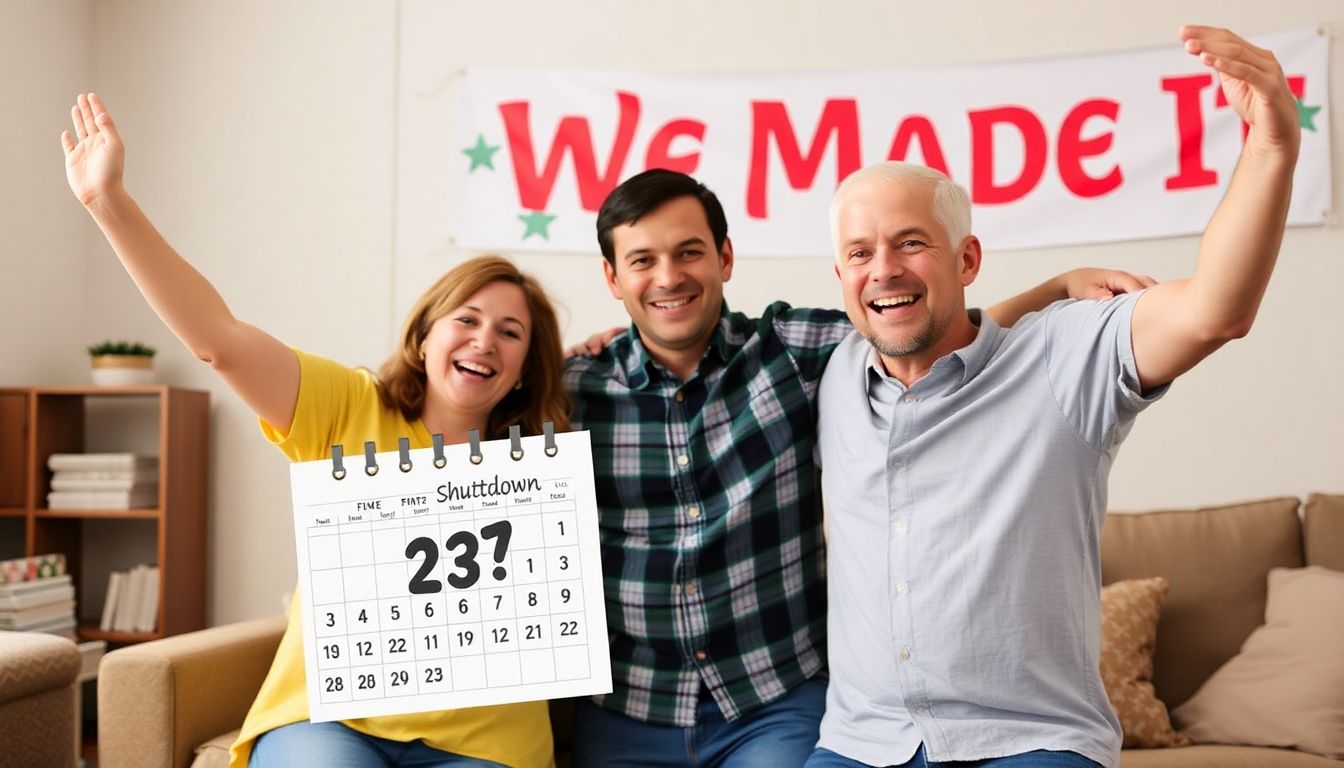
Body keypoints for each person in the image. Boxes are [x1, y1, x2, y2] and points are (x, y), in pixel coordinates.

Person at [808, 25, 1299, 768]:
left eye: (911, 242)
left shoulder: (1066, 357)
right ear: (840, 275)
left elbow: (1215, 310)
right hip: (861, 744)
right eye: (859, 253)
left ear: (966, 257)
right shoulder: (835, 373)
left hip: (1028, 745)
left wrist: (1270, 149)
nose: (883, 269)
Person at [564, 169, 1154, 766]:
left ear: (725, 257)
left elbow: (924, 326)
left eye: (689, 252)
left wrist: (1055, 288)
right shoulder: (573, 390)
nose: (668, 277)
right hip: (625, 709)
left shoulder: (793, 351)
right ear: (612, 277)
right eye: (642, 260)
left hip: (768, 703)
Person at [61, 93, 568, 768]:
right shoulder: (349, 407)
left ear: (525, 371)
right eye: (467, 320)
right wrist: (109, 203)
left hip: (488, 742)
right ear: (424, 335)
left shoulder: (537, 460)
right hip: (331, 722)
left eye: (511, 333)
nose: (485, 341)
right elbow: (220, 341)